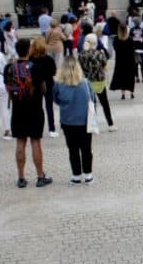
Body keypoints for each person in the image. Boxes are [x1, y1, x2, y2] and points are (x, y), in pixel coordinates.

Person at [4, 38, 52, 188]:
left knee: (20, 142)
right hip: (34, 108)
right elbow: (44, 89)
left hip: (18, 109)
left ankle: (21, 177)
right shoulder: (35, 68)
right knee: (35, 141)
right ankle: (40, 175)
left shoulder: (9, 68)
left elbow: (7, 86)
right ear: (29, 50)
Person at [53, 56, 95, 184]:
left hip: (68, 120)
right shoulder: (85, 83)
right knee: (86, 148)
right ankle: (88, 174)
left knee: (73, 149)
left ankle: (76, 175)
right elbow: (92, 98)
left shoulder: (58, 84)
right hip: (84, 120)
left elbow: (56, 99)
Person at [79, 33, 116, 132]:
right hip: (99, 81)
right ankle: (110, 124)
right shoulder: (100, 54)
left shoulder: (82, 54)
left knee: (91, 104)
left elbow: (80, 68)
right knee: (105, 103)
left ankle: (92, 125)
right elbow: (105, 66)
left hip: (87, 82)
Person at [29, 36, 58, 138]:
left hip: (35, 84)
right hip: (48, 83)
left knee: (37, 107)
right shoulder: (49, 59)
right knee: (49, 106)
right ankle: (52, 128)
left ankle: (36, 128)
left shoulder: (31, 59)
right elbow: (54, 72)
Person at [110, 23, 136, 100]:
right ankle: (131, 93)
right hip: (129, 60)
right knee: (130, 77)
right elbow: (132, 49)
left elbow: (115, 48)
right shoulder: (130, 39)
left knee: (122, 77)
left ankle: (123, 94)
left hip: (120, 61)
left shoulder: (116, 39)